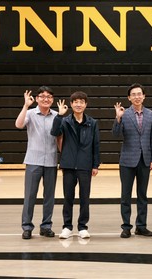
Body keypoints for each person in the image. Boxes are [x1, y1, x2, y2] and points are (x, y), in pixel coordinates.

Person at [50, 91, 100, 240]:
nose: (78, 104)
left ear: (86, 104)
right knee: (68, 198)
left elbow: (96, 145)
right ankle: (67, 227)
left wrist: (95, 164)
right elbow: (54, 132)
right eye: (75, 102)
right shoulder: (65, 121)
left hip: (85, 165)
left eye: (81, 102)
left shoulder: (92, 123)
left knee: (85, 197)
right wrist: (59, 115)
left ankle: (83, 227)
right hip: (69, 164)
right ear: (71, 104)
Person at [112, 83, 152, 238]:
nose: (137, 97)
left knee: (142, 195)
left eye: (139, 94)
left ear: (144, 96)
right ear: (129, 98)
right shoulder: (124, 114)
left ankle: (141, 226)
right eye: (134, 94)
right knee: (126, 195)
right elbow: (115, 135)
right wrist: (118, 118)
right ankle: (126, 226)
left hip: (145, 160)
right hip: (127, 161)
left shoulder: (151, 115)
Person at [15, 86, 58, 240]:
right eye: (42, 96)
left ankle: (46, 226)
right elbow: (19, 125)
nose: (46, 99)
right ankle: (27, 227)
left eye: (49, 96)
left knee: (49, 197)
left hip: (52, 161)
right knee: (30, 196)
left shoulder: (57, 116)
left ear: (52, 99)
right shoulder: (31, 113)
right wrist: (26, 105)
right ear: (37, 98)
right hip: (33, 160)